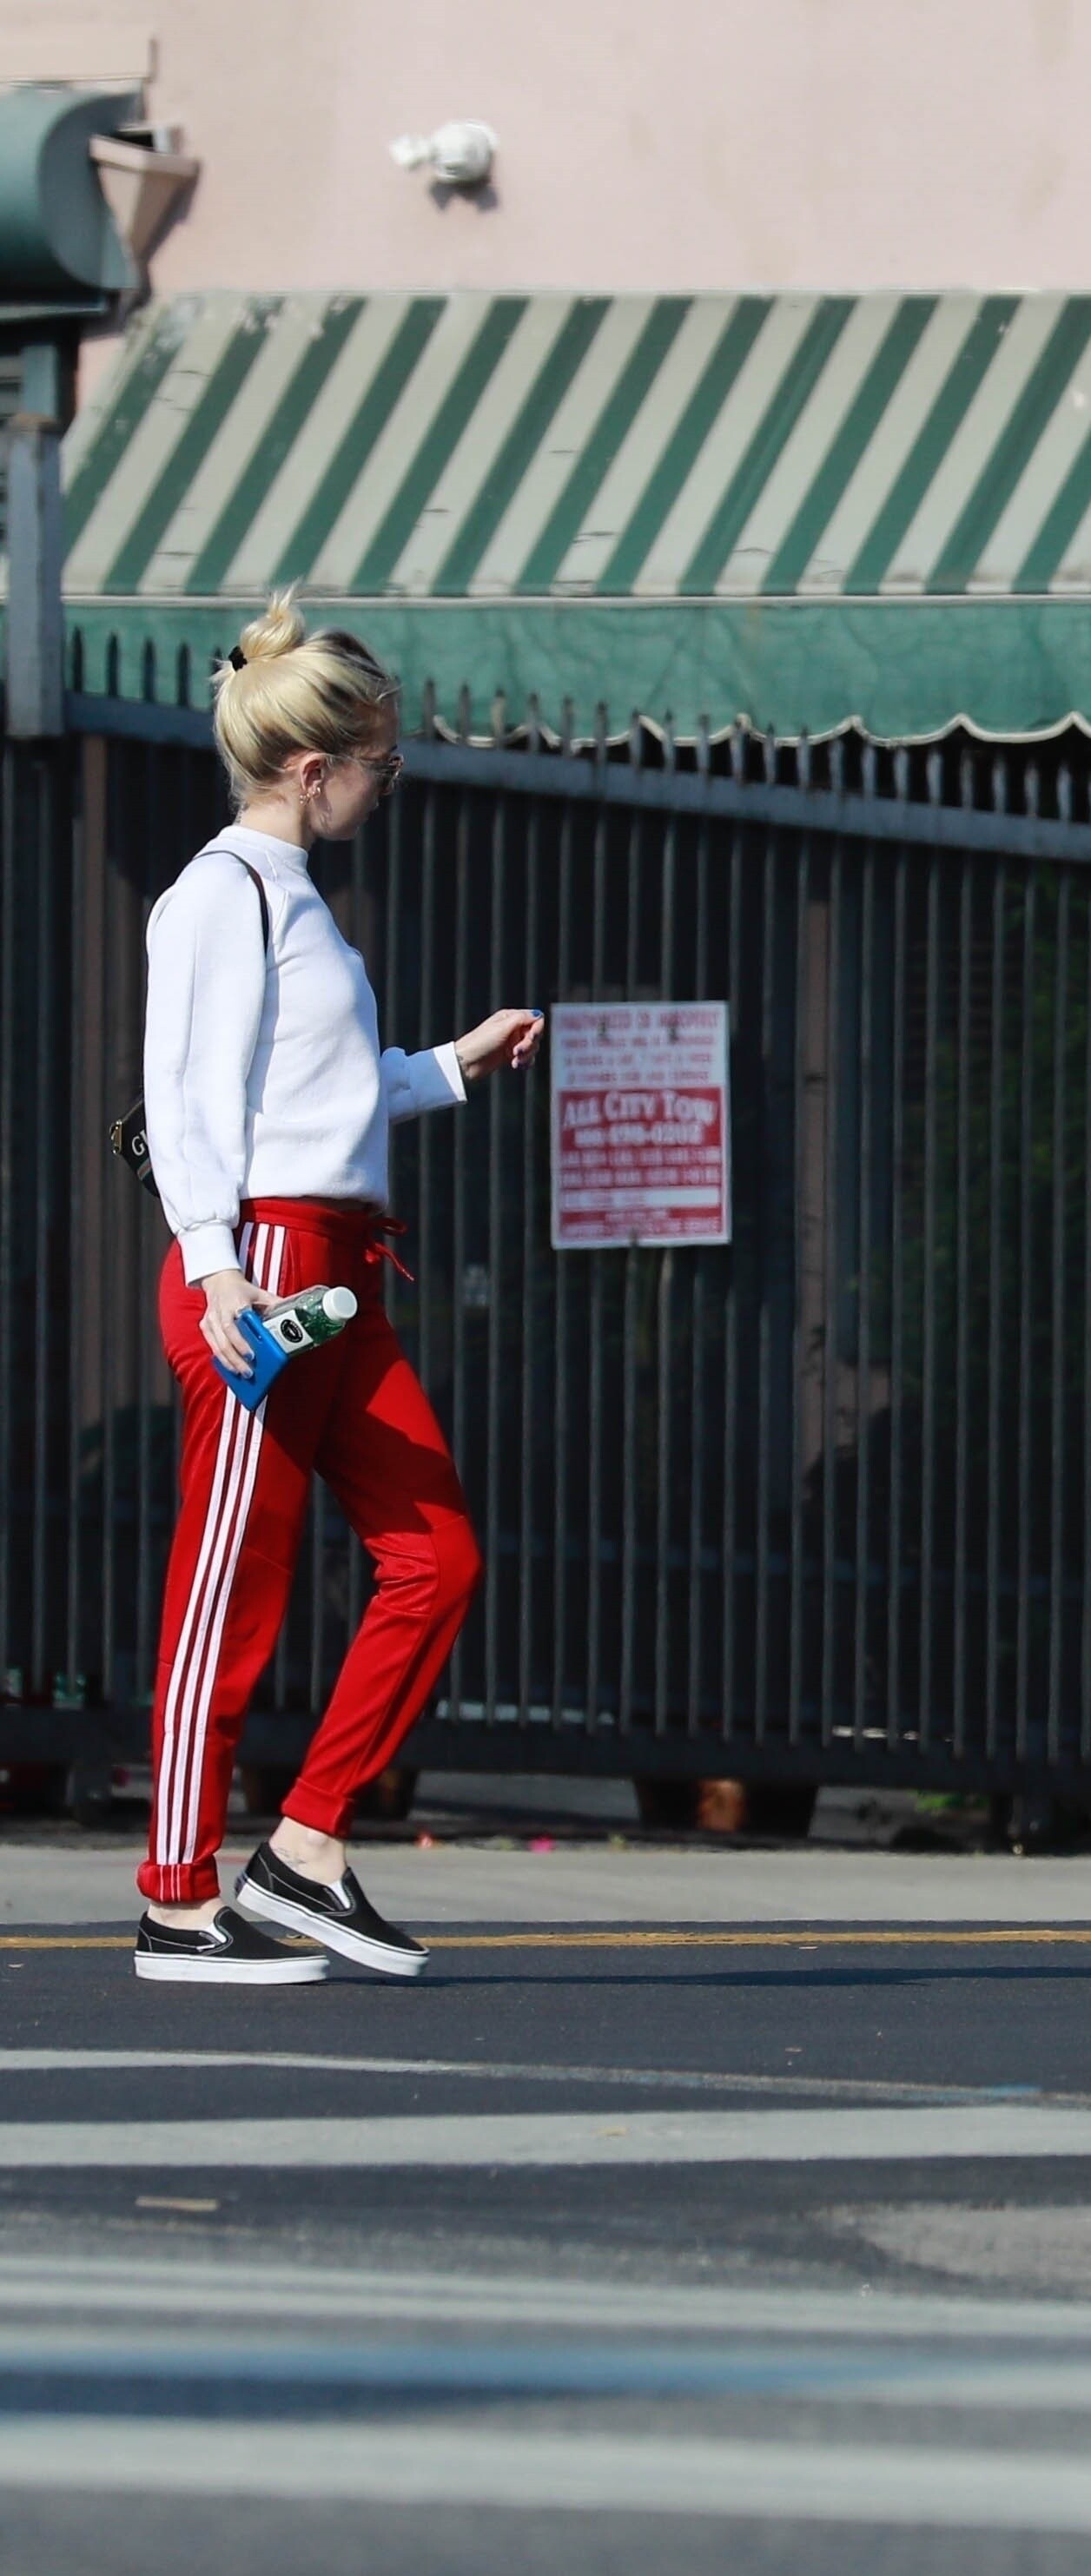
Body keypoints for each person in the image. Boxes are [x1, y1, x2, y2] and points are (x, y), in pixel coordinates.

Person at [133, 595, 542, 1985]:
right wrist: (214, 1265)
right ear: (315, 770)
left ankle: (305, 1846)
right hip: (260, 1266)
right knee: (229, 1587)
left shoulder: (293, 898)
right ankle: (176, 1898)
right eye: (382, 764)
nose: (387, 783)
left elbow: (312, 1100)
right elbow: (185, 1097)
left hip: (336, 1269)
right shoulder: (224, 893)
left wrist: (452, 1064)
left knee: (436, 1558)